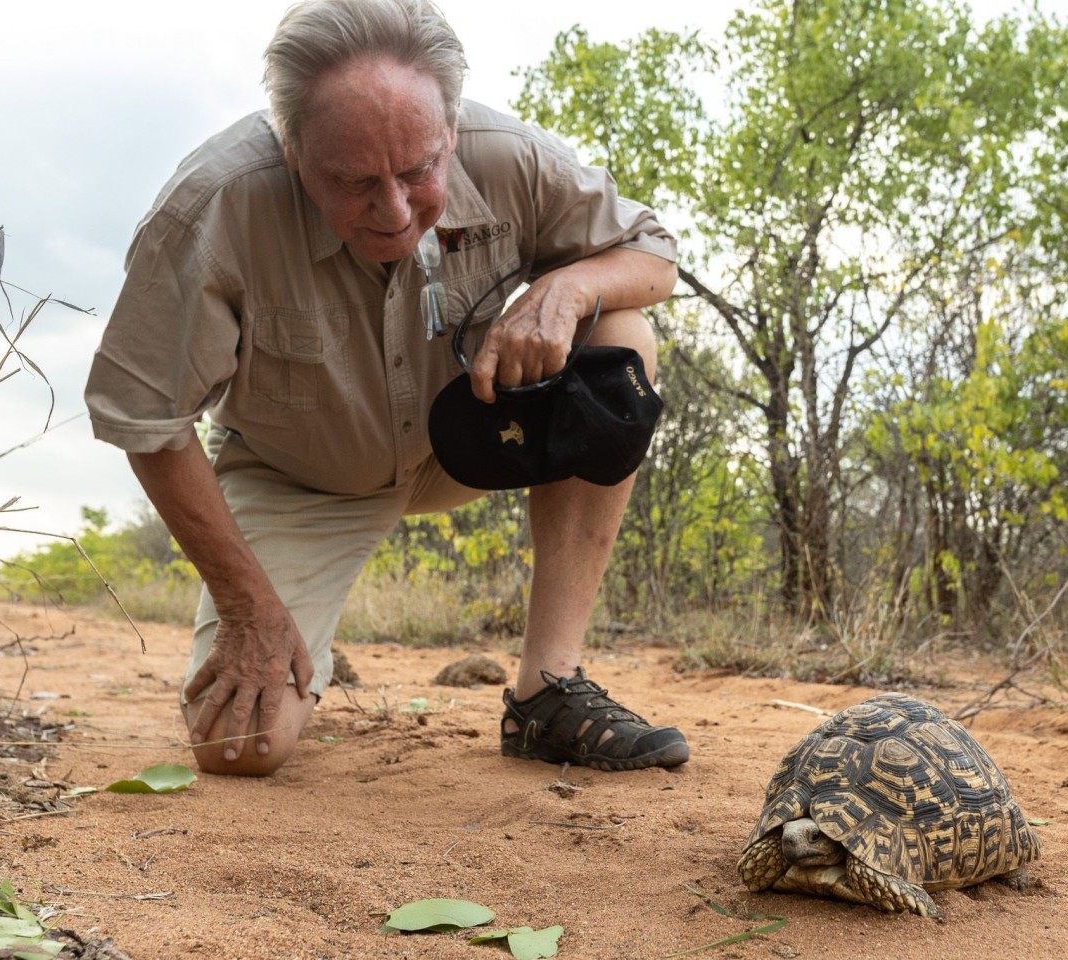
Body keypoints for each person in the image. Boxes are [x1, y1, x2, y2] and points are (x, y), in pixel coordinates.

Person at [84, 0, 688, 777]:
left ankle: (550, 689)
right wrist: (249, 609)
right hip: (300, 474)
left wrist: (567, 290)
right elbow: (145, 420)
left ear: (451, 129)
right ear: (294, 150)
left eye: (419, 170)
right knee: (238, 747)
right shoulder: (214, 204)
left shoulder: (510, 155)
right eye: (354, 180)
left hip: (468, 438)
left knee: (622, 336)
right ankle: (302, 641)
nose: (397, 210)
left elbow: (653, 255)